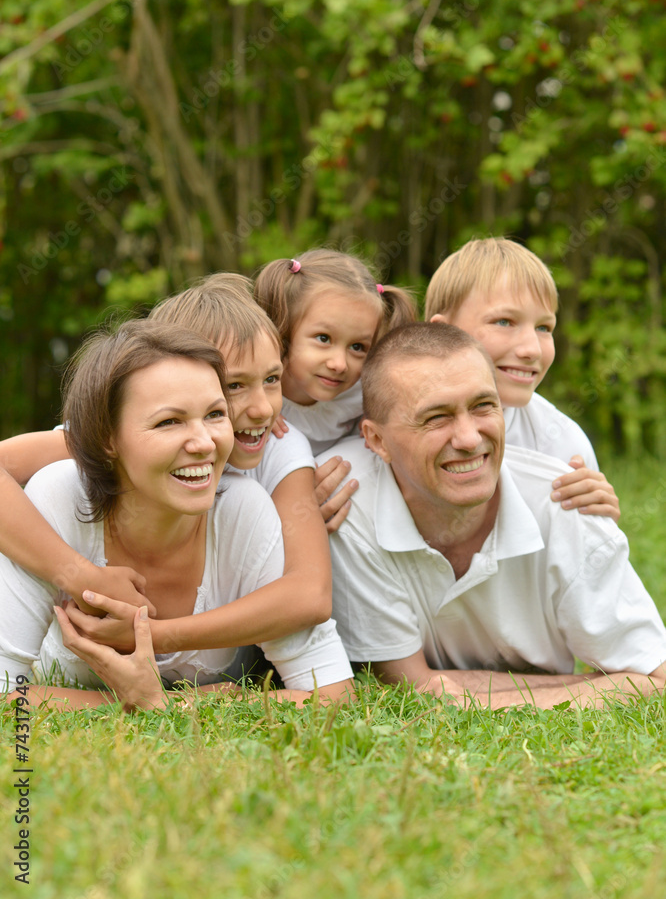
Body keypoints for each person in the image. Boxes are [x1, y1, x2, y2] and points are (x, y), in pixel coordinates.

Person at [0, 320, 354, 709]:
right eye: (169, 421)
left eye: (216, 415)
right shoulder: (60, 497)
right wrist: (133, 703)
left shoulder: (244, 511)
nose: (204, 443)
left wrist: (182, 703)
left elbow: (334, 693)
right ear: (107, 439)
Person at [325, 322, 666, 709]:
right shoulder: (346, 506)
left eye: (484, 406)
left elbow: (656, 678)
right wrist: (585, 687)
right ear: (376, 441)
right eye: (436, 417)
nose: (470, 438)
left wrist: (471, 699)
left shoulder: (567, 502)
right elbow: (410, 685)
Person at [424, 237, 619, 521]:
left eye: (544, 327)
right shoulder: (386, 423)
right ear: (443, 333)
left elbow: (582, 554)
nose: (532, 349)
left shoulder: (562, 446)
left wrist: (600, 523)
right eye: (504, 322)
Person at [253, 248, 417, 458]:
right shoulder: (251, 394)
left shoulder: (363, 398)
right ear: (284, 329)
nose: (339, 364)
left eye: (357, 347)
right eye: (323, 338)